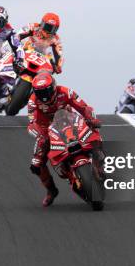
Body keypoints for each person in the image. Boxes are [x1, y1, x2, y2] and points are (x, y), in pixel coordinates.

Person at [27, 72, 101, 207]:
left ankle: (100, 159)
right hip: (47, 130)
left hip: (69, 121)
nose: (44, 96)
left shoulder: (66, 91)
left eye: (46, 91)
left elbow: (83, 106)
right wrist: (39, 134)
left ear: (54, 87)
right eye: (40, 92)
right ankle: (51, 191)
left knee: (93, 127)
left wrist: (91, 118)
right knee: (36, 164)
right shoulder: (32, 101)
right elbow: (32, 123)